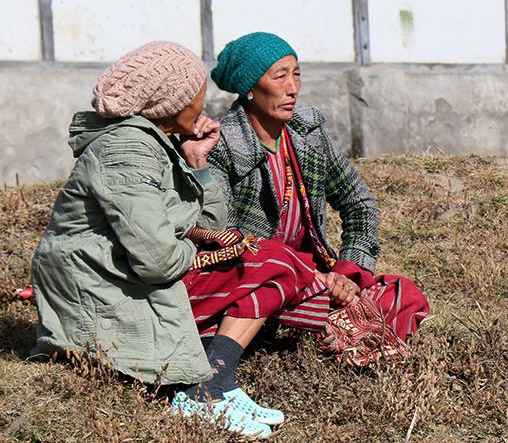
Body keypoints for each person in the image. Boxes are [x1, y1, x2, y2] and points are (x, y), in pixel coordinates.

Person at [31, 41, 329, 439]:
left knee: (275, 260)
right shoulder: (126, 150)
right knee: (272, 261)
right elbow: (157, 259)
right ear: (174, 100)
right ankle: (203, 391)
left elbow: (204, 222)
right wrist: (201, 253)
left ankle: (217, 383)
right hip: (104, 286)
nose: (203, 103)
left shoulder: (156, 143)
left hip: (128, 276)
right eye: (197, 94)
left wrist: (198, 164)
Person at [206, 32, 430, 365]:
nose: (292, 88)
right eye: (279, 76)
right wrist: (309, 277)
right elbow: (221, 237)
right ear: (250, 88)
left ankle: (320, 324)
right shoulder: (221, 145)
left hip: (318, 276)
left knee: (401, 293)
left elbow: (358, 202)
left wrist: (347, 271)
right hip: (258, 276)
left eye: (296, 74)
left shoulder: (307, 133)